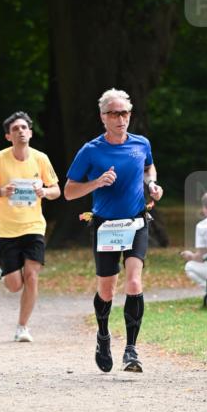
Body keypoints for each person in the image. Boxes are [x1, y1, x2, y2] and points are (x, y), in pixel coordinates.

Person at [64, 88, 163, 373]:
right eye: (114, 113)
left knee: (134, 282)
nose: (121, 119)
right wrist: (96, 183)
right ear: (103, 117)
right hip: (105, 225)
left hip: (136, 222)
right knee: (107, 290)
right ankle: (103, 336)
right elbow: (69, 192)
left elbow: (148, 168)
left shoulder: (141, 143)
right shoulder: (91, 150)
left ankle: (131, 349)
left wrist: (152, 185)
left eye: (125, 113)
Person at [0, 111, 59, 341]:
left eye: (24, 128)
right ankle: (3, 275)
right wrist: (0, 192)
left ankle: (22, 327)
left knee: (32, 276)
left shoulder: (41, 159)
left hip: (33, 226)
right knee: (15, 285)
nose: (21, 131)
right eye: (15, 129)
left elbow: (56, 190)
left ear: (31, 133)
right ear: (8, 136)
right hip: (6, 229)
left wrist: (44, 191)